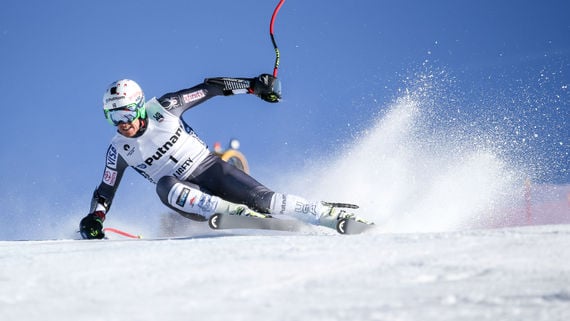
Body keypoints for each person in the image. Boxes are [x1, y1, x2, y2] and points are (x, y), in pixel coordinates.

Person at [79, 74, 370, 239]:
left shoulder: (165, 107)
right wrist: (95, 217)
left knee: (265, 199)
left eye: (126, 112)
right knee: (164, 185)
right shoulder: (119, 149)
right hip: (188, 197)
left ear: (140, 106)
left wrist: (255, 86)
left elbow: (211, 88)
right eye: (113, 116)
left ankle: (328, 216)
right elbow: (105, 191)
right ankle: (229, 212)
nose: (122, 122)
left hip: (210, 169)